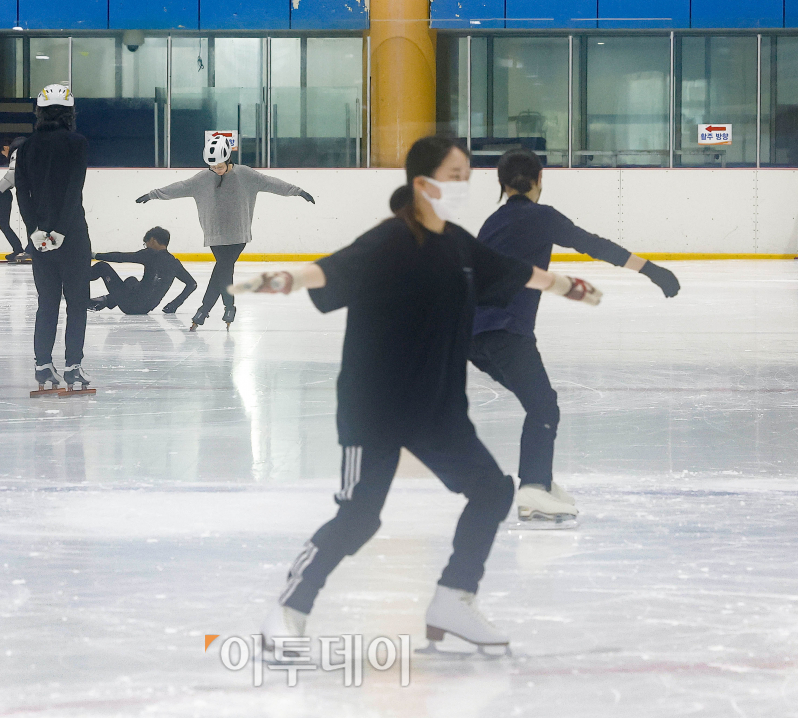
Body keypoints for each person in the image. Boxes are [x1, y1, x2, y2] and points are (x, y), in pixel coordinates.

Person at [231, 136, 603, 652]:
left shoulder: (459, 244)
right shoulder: (389, 240)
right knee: (359, 517)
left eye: (466, 175)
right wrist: (285, 279)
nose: (463, 184)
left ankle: (453, 598)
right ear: (423, 183)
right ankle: (290, 608)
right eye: (454, 175)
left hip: (437, 410)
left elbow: (514, 273)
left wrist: (565, 286)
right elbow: (332, 270)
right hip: (377, 407)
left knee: (492, 491)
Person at [471, 149, 681, 524]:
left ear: (502, 184)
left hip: (472, 335)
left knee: (540, 403)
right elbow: (593, 244)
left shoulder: (492, 222)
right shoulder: (541, 217)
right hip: (506, 330)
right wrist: (651, 270)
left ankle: (540, 480)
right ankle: (533, 489)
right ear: (539, 179)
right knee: (543, 407)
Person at [136, 134, 315, 331]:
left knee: (223, 267)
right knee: (223, 269)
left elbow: (271, 183)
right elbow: (180, 187)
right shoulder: (202, 179)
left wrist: (297, 191)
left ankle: (207, 309)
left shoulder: (246, 174)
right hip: (214, 235)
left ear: (229, 159)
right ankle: (226, 307)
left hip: (238, 234)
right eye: (213, 167)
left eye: (220, 166)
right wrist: (153, 195)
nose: (216, 170)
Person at [15, 83, 94, 394]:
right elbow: (74, 189)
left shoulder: (26, 147)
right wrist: (60, 230)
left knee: (47, 302)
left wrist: (34, 230)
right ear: (70, 112)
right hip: (72, 235)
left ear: (39, 112)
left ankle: (42, 365)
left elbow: (22, 193)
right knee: (76, 302)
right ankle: (73, 366)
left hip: (39, 238)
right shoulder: (78, 143)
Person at [88, 226, 197, 315]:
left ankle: (79, 280)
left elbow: (121, 257)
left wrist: (95, 255)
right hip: (146, 308)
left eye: (146, 243)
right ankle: (106, 301)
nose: (146, 247)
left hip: (130, 305)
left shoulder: (150, 254)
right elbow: (192, 284)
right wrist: (175, 304)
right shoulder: (174, 262)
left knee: (102, 267)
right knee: (131, 280)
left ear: (153, 240)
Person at [0, 137, 30, 262]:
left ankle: (30, 250)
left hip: (26, 191)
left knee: (28, 219)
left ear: (6, 148)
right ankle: (29, 249)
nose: (5, 156)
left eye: (3, 153)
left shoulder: (17, 152)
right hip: (34, 189)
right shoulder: (29, 151)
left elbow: (12, 173)